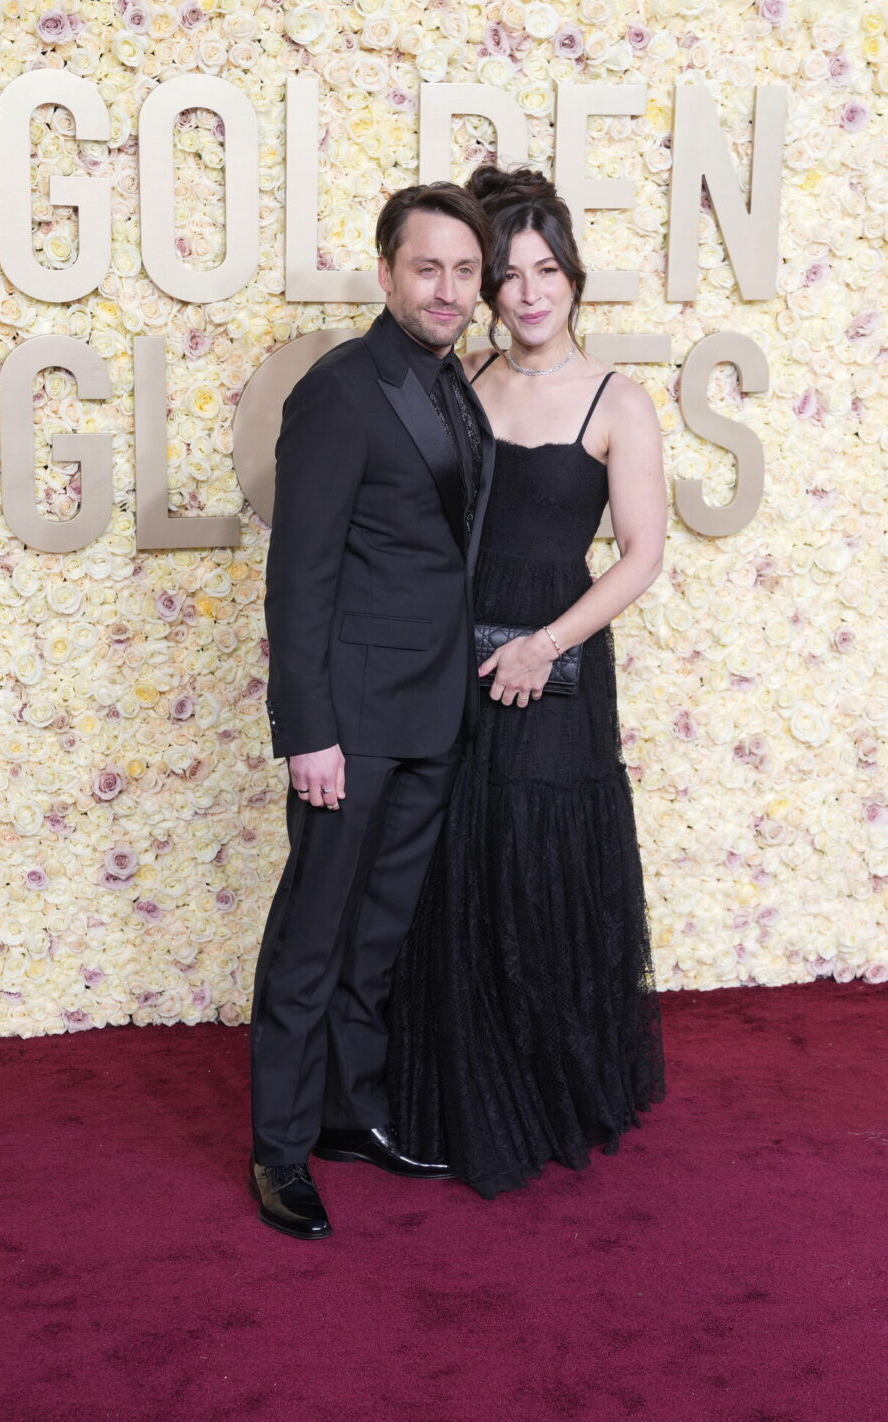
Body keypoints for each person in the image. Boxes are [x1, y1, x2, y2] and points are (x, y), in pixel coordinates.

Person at [388, 166, 668, 1199]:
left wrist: (544, 644)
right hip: (453, 657)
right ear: (485, 292)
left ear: (573, 279)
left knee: (537, 856)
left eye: (546, 270)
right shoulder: (457, 386)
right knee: (452, 857)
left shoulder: (616, 400)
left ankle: (549, 1087)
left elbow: (640, 554)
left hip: (553, 662)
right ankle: (458, 1089)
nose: (529, 292)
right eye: (507, 275)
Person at [248, 183, 495, 1239]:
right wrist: (307, 730)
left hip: (432, 714)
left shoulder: (456, 385)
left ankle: (352, 1115)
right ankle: (278, 1148)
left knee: (378, 937)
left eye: (462, 272)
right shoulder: (341, 391)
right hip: (347, 724)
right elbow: (296, 576)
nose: (446, 289)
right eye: (426, 268)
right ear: (386, 272)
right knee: (312, 938)